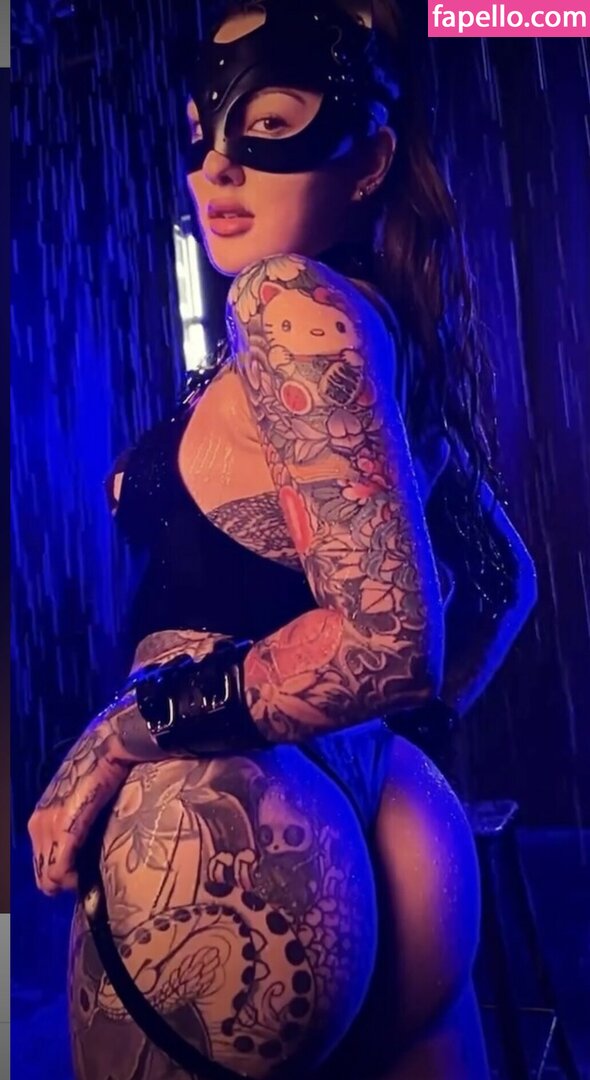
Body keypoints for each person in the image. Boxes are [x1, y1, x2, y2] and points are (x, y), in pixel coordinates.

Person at [27, 2, 537, 1078]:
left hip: (221, 827)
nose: (215, 168)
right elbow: (498, 579)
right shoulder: (373, 327)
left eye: (267, 126)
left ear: (369, 163)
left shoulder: (284, 300)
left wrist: (126, 733)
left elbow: (386, 639)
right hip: (394, 816)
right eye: (199, 134)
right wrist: (377, 740)